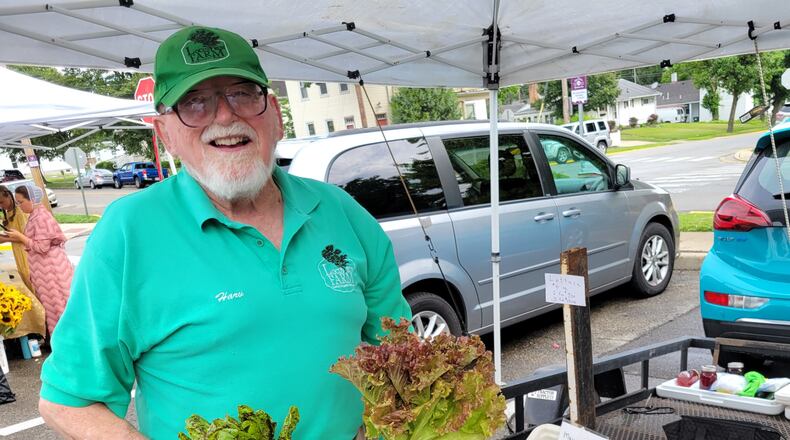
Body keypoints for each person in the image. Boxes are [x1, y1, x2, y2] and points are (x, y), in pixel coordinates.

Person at [38, 26, 412, 439]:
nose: (224, 116)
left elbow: (399, 357)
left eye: (242, 94)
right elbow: (69, 401)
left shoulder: (341, 211)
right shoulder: (129, 232)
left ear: (275, 114)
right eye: (194, 103)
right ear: (165, 134)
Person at [5, 185, 73, 335]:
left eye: (21, 202)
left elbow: (42, 247)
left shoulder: (41, 217)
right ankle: (64, 341)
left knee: (59, 306)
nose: (19, 206)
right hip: (46, 271)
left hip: (51, 271)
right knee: (55, 308)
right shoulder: (35, 215)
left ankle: (69, 341)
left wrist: (20, 237)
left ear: (32, 200)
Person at [0, 185, 34, 292]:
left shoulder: (20, 212)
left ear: (9, 196)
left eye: (1, 202)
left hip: (27, 253)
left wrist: (5, 239)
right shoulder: (7, 213)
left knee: (32, 282)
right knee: (25, 280)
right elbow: (14, 234)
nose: (1, 206)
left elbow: (26, 238)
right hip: (18, 253)